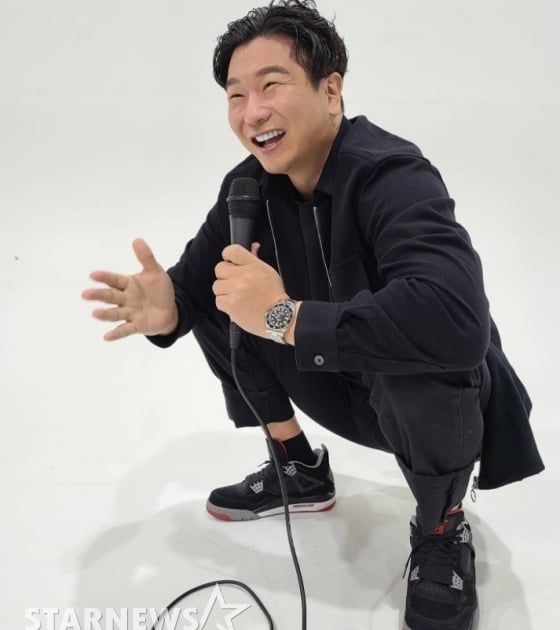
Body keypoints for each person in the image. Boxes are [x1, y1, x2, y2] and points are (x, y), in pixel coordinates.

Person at [82, 1, 544, 628]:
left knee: (416, 346)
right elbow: (192, 293)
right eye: (236, 95)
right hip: (334, 381)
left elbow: (456, 322)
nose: (252, 112)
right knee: (225, 292)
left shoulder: (393, 175)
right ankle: (298, 469)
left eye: (271, 85)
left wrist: (281, 316)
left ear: (331, 91)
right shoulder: (246, 188)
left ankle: (442, 526)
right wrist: (168, 310)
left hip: (428, 402)